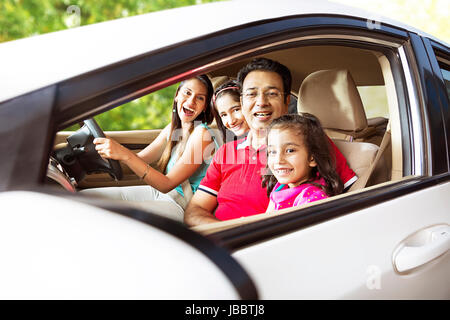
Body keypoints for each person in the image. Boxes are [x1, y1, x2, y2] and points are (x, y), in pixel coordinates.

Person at [184, 58, 357, 226]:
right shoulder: (226, 151)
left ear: (286, 100)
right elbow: (195, 211)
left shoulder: (307, 143)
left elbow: (355, 199)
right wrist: (224, 237)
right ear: (242, 102)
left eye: (272, 93)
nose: (261, 102)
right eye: (252, 94)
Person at [81, 75, 219, 222]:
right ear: (177, 95)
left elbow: (167, 184)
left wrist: (124, 154)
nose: (191, 101)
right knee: (84, 199)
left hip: (180, 205)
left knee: (111, 217)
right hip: (162, 194)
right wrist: (109, 151)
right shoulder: (174, 129)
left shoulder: (202, 135)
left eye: (200, 98)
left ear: (205, 106)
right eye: (187, 92)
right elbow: (141, 159)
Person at [264, 113, 343, 212]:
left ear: (312, 158)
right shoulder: (281, 186)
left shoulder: (311, 199)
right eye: (272, 152)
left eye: (290, 150)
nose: (278, 160)